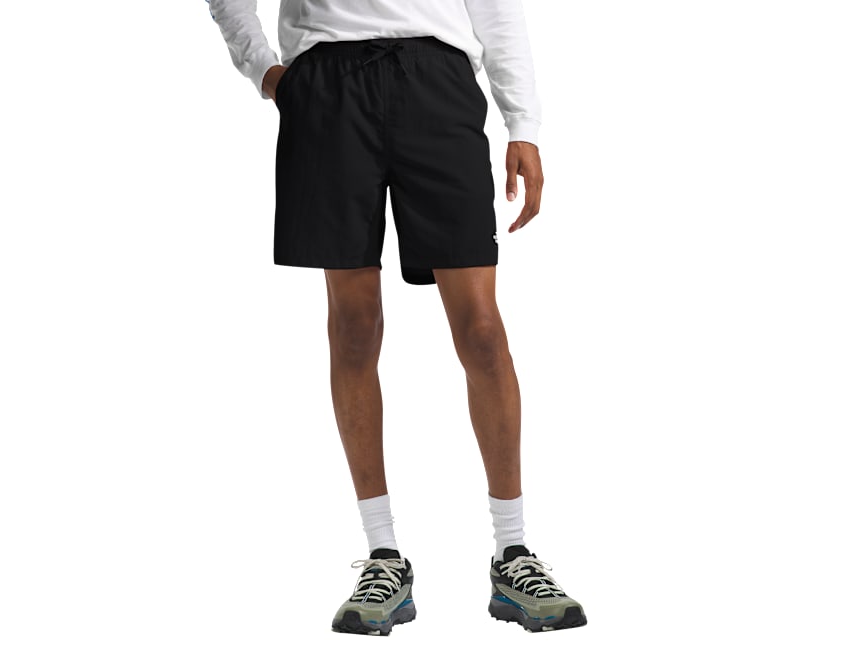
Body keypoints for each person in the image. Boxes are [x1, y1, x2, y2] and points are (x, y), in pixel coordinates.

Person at [206, 0, 585, 635]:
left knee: (482, 330)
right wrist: (265, 70)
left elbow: (495, 6)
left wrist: (523, 122)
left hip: (438, 82)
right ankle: (383, 555)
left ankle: (513, 551)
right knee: (354, 328)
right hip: (327, 88)